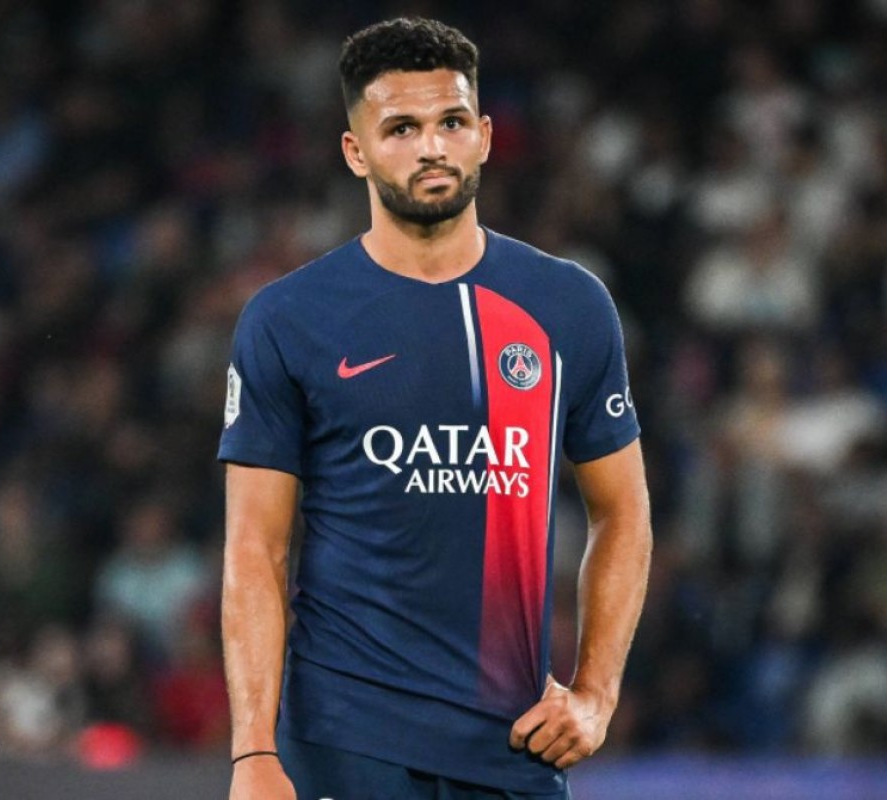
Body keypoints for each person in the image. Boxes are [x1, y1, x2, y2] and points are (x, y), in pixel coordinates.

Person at [219, 17, 652, 800]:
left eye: (451, 122)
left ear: (484, 136)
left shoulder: (568, 306)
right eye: (401, 129)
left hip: (514, 747)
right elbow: (256, 547)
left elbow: (622, 512)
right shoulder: (289, 319)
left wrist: (595, 692)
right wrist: (252, 752)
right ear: (355, 151)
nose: (432, 147)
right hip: (344, 741)